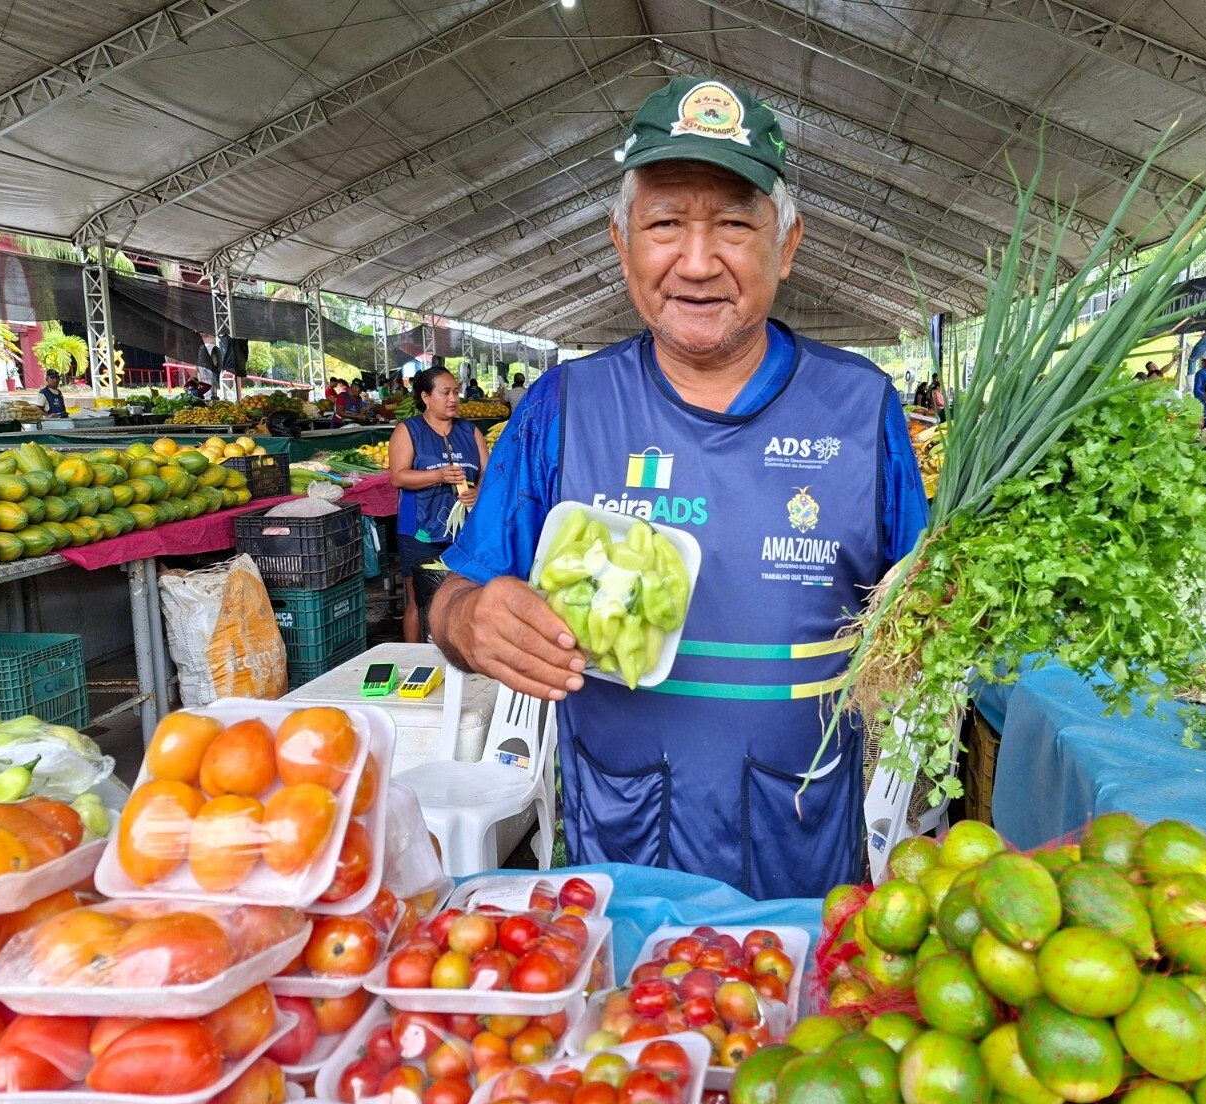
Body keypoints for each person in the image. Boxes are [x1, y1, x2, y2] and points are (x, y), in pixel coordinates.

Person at [429, 76, 928, 901]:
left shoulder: (860, 406)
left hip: (801, 862)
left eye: (734, 223)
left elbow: (932, 606)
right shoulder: (564, 407)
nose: (697, 263)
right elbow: (459, 600)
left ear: (788, 243)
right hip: (620, 861)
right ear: (623, 244)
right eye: (664, 224)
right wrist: (468, 621)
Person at [390, 366, 487, 643]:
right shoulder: (409, 431)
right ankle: (414, 660)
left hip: (464, 532)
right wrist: (438, 475)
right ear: (426, 396)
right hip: (419, 530)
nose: (453, 398)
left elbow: (488, 473)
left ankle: (462, 655)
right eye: (445, 392)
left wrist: (477, 492)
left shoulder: (470, 432)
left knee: (463, 594)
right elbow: (398, 476)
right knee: (418, 600)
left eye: (456, 391)